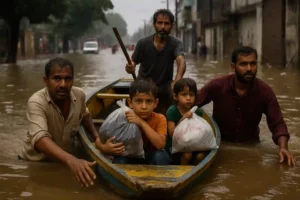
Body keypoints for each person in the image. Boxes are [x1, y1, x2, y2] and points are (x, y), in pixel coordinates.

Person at [19, 57, 125, 187]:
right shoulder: (36, 102)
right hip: (37, 164)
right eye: (57, 78)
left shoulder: (79, 95)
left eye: (68, 79)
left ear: (72, 80)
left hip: (64, 162)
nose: (63, 84)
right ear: (46, 81)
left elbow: (85, 115)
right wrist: (72, 160)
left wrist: (97, 139)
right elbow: (41, 140)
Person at [196, 46, 296, 166]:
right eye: (243, 64)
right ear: (233, 67)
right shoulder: (217, 86)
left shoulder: (264, 91)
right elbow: (192, 103)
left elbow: (278, 124)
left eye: (253, 64)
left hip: (251, 145)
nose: (249, 68)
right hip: (221, 144)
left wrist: (283, 147)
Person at [125, 9, 186, 113]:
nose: (163, 27)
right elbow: (133, 63)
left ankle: (172, 121)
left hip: (165, 85)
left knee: (178, 94)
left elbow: (181, 62)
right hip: (143, 83)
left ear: (172, 25)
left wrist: (177, 81)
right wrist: (130, 67)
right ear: (154, 24)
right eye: (159, 23)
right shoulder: (142, 43)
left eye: (166, 23)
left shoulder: (176, 43)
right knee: (134, 94)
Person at [113, 79, 171, 165]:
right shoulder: (123, 117)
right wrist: (105, 147)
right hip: (131, 156)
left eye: (149, 101)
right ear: (130, 103)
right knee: (119, 160)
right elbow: (100, 140)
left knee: (161, 156)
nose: (144, 106)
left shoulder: (160, 118)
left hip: (152, 157)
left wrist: (141, 122)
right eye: (139, 101)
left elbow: (160, 145)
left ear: (155, 103)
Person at [166, 78, 206, 165]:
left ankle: (196, 172)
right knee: (187, 155)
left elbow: (200, 130)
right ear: (175, 96)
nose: (188, 98)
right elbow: (171, 134)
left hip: (191, 143)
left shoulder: (197, 111)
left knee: (200, 156)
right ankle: (182, 172)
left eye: (191, 95)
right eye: (184, 95)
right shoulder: (172, 111)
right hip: (175, 145)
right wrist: (183, 119)